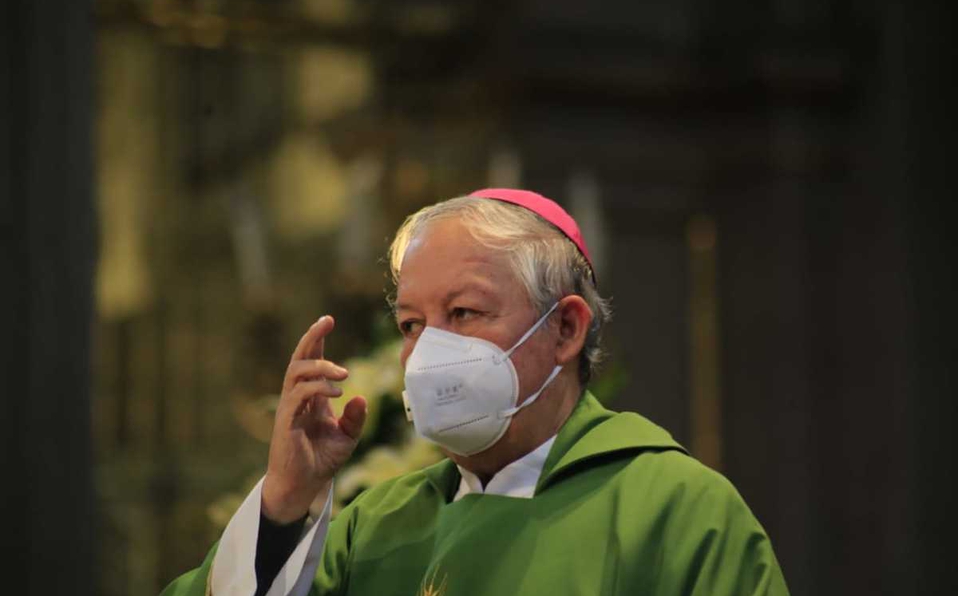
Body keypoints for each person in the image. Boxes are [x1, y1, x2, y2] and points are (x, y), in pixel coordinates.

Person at [161, 189, 790, 596]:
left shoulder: (676, 512)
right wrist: (283, 502)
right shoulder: (377, 527)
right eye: (412, 325)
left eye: (463, 313)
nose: (428, 350)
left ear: (565, 329)